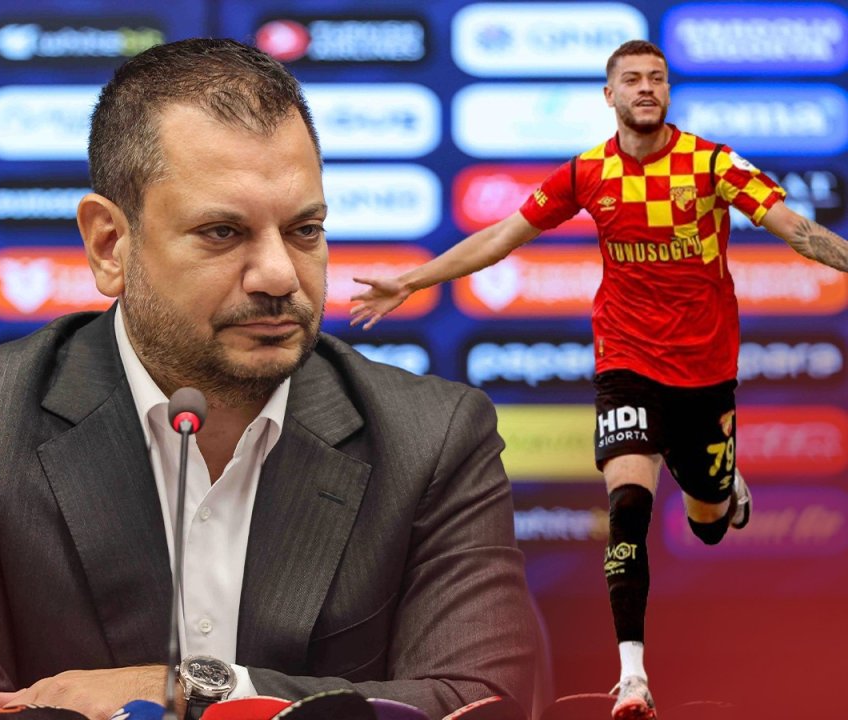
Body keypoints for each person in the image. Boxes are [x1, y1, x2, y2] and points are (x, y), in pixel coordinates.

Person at [0, 38, 538, 720]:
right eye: (223, 232)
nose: (279, 275)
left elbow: (481, 701)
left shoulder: (433, 436)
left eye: (305, 230)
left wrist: (203, 688)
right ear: (109, 244)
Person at [350, 39, 848, 720]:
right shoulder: (588, 173)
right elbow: (501, 236)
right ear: (609, 96)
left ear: (667, 92)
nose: (646, 88)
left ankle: (722, 481)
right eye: (633, 79)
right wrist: (411, 280)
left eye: (657, 78)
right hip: (626, 363)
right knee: (628, 509)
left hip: (705, 372)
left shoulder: (713, 164)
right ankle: (633, 678)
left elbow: (795, 229)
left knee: (707, 523)